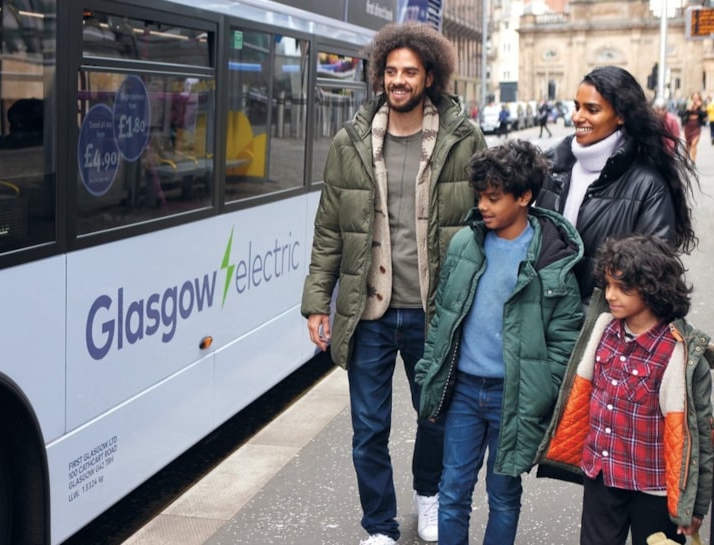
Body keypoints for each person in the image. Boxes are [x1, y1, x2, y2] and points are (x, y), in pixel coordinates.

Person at [301, 21, 487, 545]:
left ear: (430, 75)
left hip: (435, 310)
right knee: (368, 430)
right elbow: (329, 229)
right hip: (370, 311)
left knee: (435, 419)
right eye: (390, 71)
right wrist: (318, 302)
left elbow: (487, 219)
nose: (398, 80)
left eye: (409, 71)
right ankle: (379, 525)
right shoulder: (352, 141)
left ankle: (428, 496)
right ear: (380, 75)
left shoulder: (463, 137)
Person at [414, 140, 584, 545]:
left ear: (524, 196)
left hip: (516, 395)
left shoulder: (552, 258)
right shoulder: (464, 245)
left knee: (504, 494)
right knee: (452, 489)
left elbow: (565, 335)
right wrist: (429, 371)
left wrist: (544, 388)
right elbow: (443, 316)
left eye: (494, 198)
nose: (483, 206)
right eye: (480, 197)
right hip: (464, 392)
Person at [538, 234, 713, 545]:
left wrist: (695, 506)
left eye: (623, 288)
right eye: (607, 285)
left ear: (652, 289)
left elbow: (700, 435)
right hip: (602, 476)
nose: (611, 295)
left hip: (654, 487)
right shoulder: (601, 330)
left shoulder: (680, 355)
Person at [534, 65, 697, 303]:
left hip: (604, 328)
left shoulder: (648, 186)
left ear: (621, 115)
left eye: (592, 109)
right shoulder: (553, 167)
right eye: (577, 107)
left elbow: (653, 276)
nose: (578, 117)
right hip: (546, 321)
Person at [678, 91, 706, 162]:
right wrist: (688, 109)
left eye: (697, 98)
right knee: (688, 145)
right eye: (694, 98)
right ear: (692, 98)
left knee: (694, 144)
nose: (695, 99)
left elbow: (704, 115)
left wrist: (699, 107)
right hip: (688, 126)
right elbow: (680, 113)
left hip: (696, 127)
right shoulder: (687, 104)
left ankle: (693, 161)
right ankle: (685, 159)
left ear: (699, 98)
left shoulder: (702, 105)